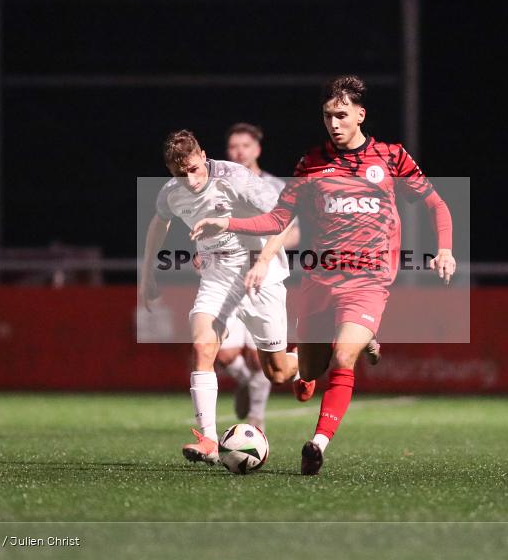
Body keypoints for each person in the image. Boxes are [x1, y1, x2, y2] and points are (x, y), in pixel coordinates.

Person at [191, 75, 456, 475]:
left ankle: (317, 444)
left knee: (344, 356)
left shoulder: (391, 157)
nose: (334, 123)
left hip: (368, 281)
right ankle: (335, 357)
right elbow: (277, 220)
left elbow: (436, 204)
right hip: (320, 280)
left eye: (342, 115)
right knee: (306, 369)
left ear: (360, 115)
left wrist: (445, 249)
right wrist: (227, 223)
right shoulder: (311, 163)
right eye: (328, 115)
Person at [138, 129, 299, 464]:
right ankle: (209, 440)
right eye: (180, 174)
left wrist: (263, 260)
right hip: (217, 278)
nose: (190, 180)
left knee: (277, 372)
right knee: (203, 347)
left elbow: (283, 218)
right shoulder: (171, 193)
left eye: (194, 169)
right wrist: (147, 273)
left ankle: (304, 365)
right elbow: (159, 222)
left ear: (203, 156)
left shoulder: (235, 178)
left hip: (261, 276)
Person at [215, 123, 300, 431]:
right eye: (233, 146)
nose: (239, 151)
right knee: (224, 354)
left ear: (257, 149)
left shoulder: (275, 186)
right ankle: (246, 383)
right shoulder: (218, 185)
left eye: (245, 146)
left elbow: (293, 234)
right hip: (225, 274)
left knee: (259, 358)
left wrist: (262, 251)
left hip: (263, 276)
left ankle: (257, 417)